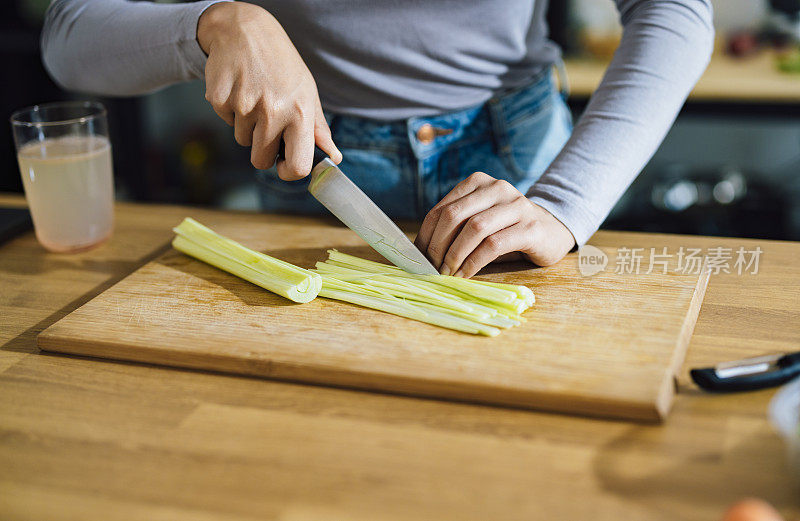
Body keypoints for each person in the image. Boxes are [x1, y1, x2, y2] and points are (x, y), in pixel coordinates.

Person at [41, 0, 713, 278]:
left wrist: (566, 203)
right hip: (314, 170)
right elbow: (69, 37)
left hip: (523, 180)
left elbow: (674, 8)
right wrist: (215, 24)